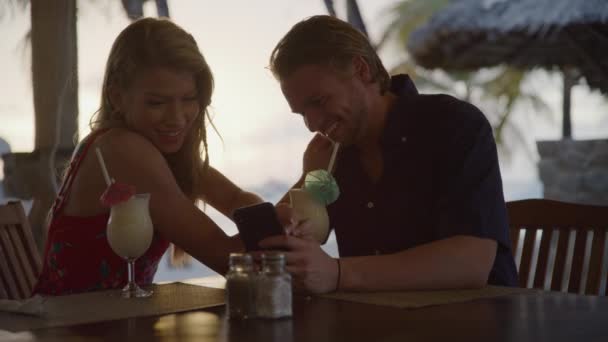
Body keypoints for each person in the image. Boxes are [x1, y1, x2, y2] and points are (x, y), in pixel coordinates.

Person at [33, 18, 293, 295]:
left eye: (189, 98)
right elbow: (225, 258)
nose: (176, 118)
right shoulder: (123, 149)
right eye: (157, 103)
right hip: (71, 329)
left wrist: (267, 219)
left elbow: (235, 200)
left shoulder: (162, 151)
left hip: (114, 322)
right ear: (117, 98)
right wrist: (297, 193)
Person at [260, 15, 518, 294]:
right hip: (375, 323)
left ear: (361, 70)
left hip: (476, 322)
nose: (312, 124)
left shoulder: (454, 125)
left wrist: (338, 274)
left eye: (319, 102)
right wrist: (309, 180)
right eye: (302, 114)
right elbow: (313, 234)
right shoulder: (334, 152)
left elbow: (471, 261)